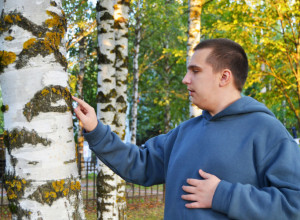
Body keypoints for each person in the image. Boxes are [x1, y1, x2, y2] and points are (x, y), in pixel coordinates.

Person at [73, 38, 300, 219]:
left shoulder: (267, 131)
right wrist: (95, 129)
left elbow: (294, 204)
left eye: (195, 71)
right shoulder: (184, 132)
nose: (185, 79)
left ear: (224, 77)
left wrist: (223, 196)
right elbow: (139, 163)